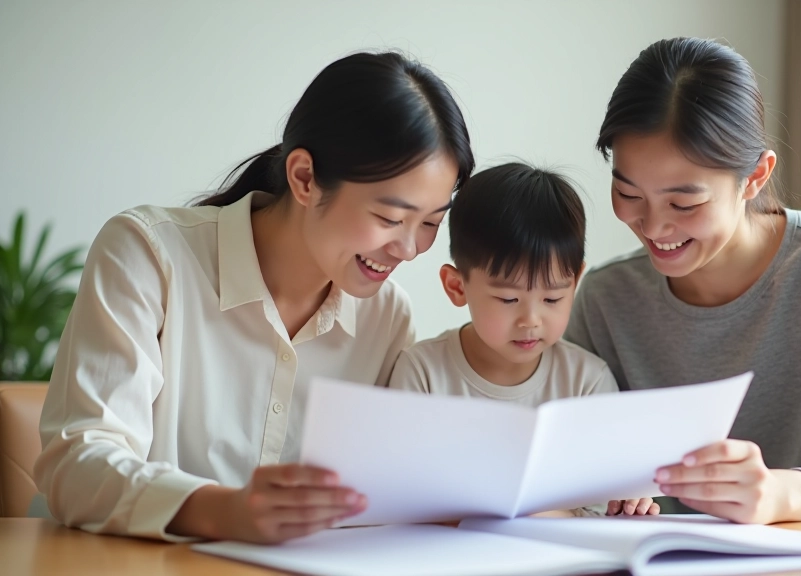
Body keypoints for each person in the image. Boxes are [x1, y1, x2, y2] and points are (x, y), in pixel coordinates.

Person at [34, 52, 475, 543]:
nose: (410, 248)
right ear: (305, 178)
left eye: (432, 222)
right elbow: (77, 465)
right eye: (391, 219)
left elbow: (381, 494)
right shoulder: (148, 254)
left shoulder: (387, 317)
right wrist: (225, 512)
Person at [565, 37, 801, 523]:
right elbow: (576, 473)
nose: (654, 227)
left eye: (684, 203)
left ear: (756, 176)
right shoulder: (606, 300)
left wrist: (783, 494)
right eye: (628, 192)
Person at [388, 162, 658, 517]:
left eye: (552, 299)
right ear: (457, 286)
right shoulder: (421, 373)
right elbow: (399, 500)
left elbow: (599, 512)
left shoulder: (587, 383)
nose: (531, 320)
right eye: (508, 300)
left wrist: (628, 506)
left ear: (575, 282)